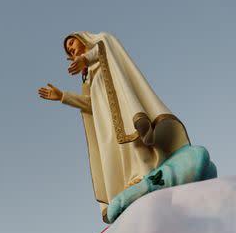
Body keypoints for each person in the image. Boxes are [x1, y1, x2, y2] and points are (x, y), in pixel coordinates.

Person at [39, 32, 196, 222]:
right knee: (117, 151)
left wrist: (85, 59)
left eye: (71, 43)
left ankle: (145, 173)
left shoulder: (102, 45)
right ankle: (131, 181)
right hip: (105, 121)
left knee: (133, 141)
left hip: (122, 109)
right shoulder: (89, 77)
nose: (71, 48)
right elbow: (90, 104)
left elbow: (103, 49)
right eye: (69, 50)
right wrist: (63, 96)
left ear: (82, 38)